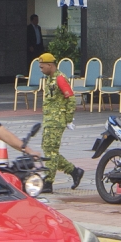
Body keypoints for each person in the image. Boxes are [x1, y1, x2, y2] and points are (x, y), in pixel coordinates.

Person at [38, 52, 83, 193]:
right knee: (48, 149)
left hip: (56, 121)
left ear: (50, 65)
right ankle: (74, 171)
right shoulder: (50, 78)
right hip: (49, 119)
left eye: (42, 67)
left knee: (50, 151)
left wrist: (69, 119)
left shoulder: (60, 79)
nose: (41, 69)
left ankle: (48, 181)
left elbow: (70, 98)